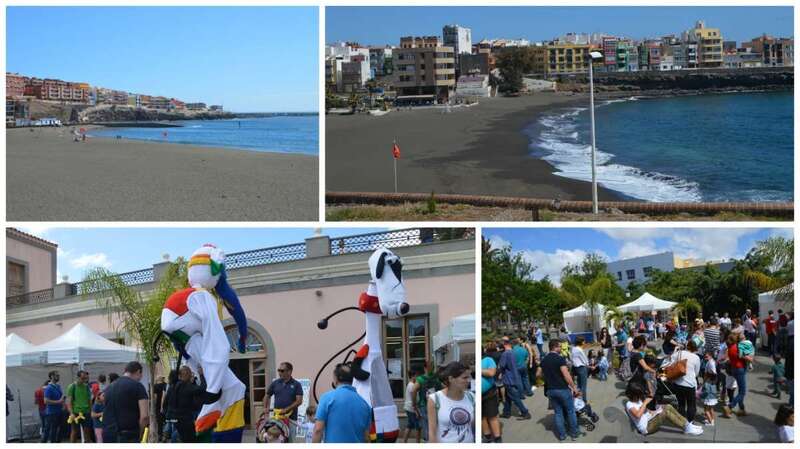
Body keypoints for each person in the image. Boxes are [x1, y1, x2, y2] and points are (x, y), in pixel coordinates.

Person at [312, 363, 371, 443]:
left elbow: (318, 430)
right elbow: (366, 437)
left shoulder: (327, 398)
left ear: (335, 380)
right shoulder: (365, 404)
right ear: (352, 380)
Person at [539, 338, 583, 441]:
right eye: (559, 346)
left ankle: (562, 435)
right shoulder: (559, 359)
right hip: (562, 389)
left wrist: (547, 378)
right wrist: (574, 388)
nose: (560, 348)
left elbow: (538, 374)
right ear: (554, 347)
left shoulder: (544, 359)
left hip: (550, 390)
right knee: (570, 411)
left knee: (558, 413)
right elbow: (566, 375)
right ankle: (574, 433)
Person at [624, 382, 703, 436]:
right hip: (646, 428)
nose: (640, 396)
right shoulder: (629, 404)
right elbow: (638, 415)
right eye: (639, 394)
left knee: (667, 406)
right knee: (665, 413)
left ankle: (687, 424)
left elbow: (646, 411)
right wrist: (645, 403)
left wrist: (655, 411)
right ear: (634, 394)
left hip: (649, 420)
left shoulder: (638, 400)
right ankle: (686, 428)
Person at [427, 362, 475, 443]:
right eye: (464, 378)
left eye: (469, 377)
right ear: (451, 379)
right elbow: (432, 432)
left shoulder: (472, 397)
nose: (469, 381)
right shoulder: (435, 399)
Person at [102, 361, 149, 443]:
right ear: (138, 372)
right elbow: (144, 416)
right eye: (141, 375)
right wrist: (140, 435)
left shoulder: (109, 388)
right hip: (128, 435)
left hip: (108, 434)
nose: (140, 378)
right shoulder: (138, 386)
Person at [665, 339, 701, 423]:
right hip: (690, 384)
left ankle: (682, 422)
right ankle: (690, 422)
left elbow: (669, 363)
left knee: (681, 404)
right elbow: (696, 373)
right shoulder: (696, 358)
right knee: (691, 405)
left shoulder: (678, 354)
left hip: (678, 383)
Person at [265, 362, 303, 439]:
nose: (279, 372)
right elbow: (267, 396)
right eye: (278, 370)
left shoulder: (296, 384)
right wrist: (265, 408)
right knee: (277, 440)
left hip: (291, 419)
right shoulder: (275, 383)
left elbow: (299, 401)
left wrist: (287, 409)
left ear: (289, 371)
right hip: (277, 418)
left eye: (282, 370)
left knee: (290, 440)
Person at [499, 337, 531, 419]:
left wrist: (499, 373)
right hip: (514, 376)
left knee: (515, 397)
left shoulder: (505, 354)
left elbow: (501, 366)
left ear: (504, 344)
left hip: (508, 378)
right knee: (508, 397)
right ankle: (506, 412)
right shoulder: (513, 352)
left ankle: (525, 412)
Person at [723, 332, 754, 418]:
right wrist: (750, 359)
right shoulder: (737, 348)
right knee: (742, 392)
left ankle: (742, 409)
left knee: (741, 390)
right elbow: (747, 357)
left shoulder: (730, 348)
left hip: (734, 369)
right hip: (740, 370)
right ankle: (729, 406)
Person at [173, 366, 205, 443]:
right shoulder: (186, 386)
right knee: (191, 440)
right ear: (187, 375)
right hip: (186, 420)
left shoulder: (176, 385)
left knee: (183, 438)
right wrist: (201, 375)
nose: (192, 375)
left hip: (177, 419)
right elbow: (203, 388)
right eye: (190, 374)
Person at [413, 363, 443, 441]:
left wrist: (414, 404)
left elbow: (413, 390)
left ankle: (428, 441)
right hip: (436, 405)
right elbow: (444, 388)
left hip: (424, 404)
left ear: (424, 368)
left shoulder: (420, 379)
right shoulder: (436, 379)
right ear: (433, 368)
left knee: (426, 425)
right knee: (436, 424)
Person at [481, 343, 501, 443]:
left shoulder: (488, 359)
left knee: (492, 415)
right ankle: (487, 436)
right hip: (477, 394)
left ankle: (497, 438)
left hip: (489, 393)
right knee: (482, 417)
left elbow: (491, 373)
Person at [66, 369, 92, 443]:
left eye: (85, 378)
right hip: (75, 413)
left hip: (86, 412)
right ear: (78, 377)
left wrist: (90, 410)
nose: (84, 380)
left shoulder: (86, 387)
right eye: (83, 378)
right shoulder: (72, 387)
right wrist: (71, 413)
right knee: (74, 432)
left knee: (87, 432)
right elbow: (69, 402)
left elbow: (89, 400)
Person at [43, 370, 64, 443]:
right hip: (52, 413)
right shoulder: (49, 388)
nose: (58, 376)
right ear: (52, 376)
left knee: (60, 429)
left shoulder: (58, 386)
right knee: (53, 430)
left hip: (59, 411)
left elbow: (60, 397)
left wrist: (63, 403)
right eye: (57, 375)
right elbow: (45, 401)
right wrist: (58, 402)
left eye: (58, 375)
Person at [403, 370, 422, 443]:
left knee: (410, 425)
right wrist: (416, 411)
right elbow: (413, 398)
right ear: (412, 376)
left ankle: (404, 441)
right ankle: (418, 443)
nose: (417, 377)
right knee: (418, 427)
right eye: (416, 376)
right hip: (411, 408)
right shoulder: (411, 385)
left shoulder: (410, 384)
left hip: (409, 407)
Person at [570, 336, 590, 401]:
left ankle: (578, 399)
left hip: (576, 368)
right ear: (581, 342)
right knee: (583, 386)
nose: (584, 342)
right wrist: (588, 365)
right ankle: (584, 400)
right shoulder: (579, 350)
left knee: (579, 385)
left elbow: (572, 358)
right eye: (584, 341)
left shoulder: (573, 348)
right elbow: (585, 360)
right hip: (582, 368)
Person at [152, 376, 167, 441]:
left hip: (158, 406)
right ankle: (165, 436)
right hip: (166, 405)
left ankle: (160, 436)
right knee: (166, 421)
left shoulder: (155, 386)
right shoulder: (166, 385)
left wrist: (154, 405)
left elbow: (155, 397)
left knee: (159, 422)